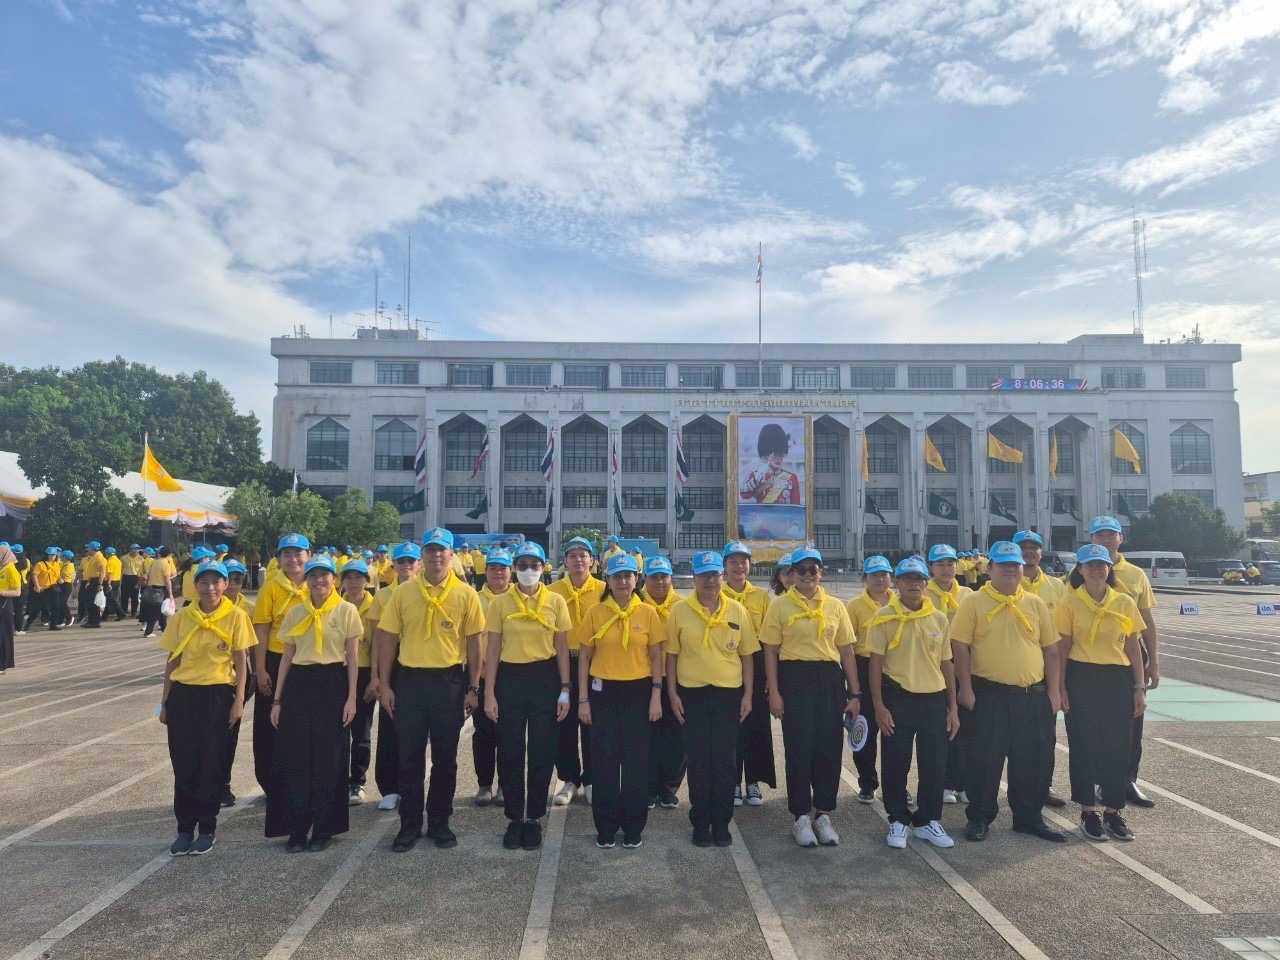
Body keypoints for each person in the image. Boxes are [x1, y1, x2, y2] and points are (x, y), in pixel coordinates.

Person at [377, 528, 484, 852]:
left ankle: (440, 822)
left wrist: (474, 687)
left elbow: (475, 644)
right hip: (410, 681)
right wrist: (384, 684)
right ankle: (409, 824)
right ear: (422, 554)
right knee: (409, 757)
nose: (436, 555)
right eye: (431, 550)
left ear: (452, 555)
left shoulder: (466, 594)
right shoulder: (403, 592)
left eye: (442, 550)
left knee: (445, 758)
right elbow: (388, 640)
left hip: (449, 683)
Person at [951, 541, 1064, 844]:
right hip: (989, 694)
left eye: (1016, 564)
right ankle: (980, 816)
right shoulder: (973, 602)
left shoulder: (1035, 603)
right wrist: (966, 689)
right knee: (984, 760)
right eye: (1003, 565)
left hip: (1032, 695)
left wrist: (1054, 691)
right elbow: (959, 646)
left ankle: (1028, 817)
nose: (1012, 569)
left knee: (1033, 759)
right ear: (990, 569)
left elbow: (1051, 650)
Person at [761, 547, 860, 849]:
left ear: (821, 573)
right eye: (800, 570)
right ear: (790, 574)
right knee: (799, 747)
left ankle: (824, 813)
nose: (806, 575)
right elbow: (770, 651)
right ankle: (800, 816)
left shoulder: (835, 606)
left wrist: (855, 693)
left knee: (828, 748)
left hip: (830, 680)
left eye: (812, 569)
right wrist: (774, 692)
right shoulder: (779, 606)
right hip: (794, 679)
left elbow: (846, 651)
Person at [157, 560, 255, 856]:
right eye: (204, 582)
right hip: (184, 696)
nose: (210, 588)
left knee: (212, 764)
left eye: (216, 582)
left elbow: (241, 662)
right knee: (184, 764)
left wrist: (238, 701)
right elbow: (172, 661)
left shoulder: (236, 616)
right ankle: (185, 829)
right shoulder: (183, 616)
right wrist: (164, 703)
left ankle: (207, 827)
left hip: (219, 696)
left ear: (226, 585)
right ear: (195, 586)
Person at [265, 555, 361, 851]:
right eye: (313, 575)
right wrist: (277, 700)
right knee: (296, 758)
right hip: (299, 685)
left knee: (329, 760)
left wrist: (351, 698)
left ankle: (324, 828)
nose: (319, 580)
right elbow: (287, 657)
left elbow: (354, 658)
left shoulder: (346, 611)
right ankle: (297, 828)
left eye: (325, 575)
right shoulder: (295, 612)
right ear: (305, 580)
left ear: (335, 579)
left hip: (333, 683)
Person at [483, 542, 572, 850]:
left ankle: (533, 817)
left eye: (535, 565)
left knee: (542, 749)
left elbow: (561, 647)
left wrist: (565, 688)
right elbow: (492, 650)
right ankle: (513, 818)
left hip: (545, 678)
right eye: (522, 564)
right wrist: (489, 692)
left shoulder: (556, 601)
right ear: (514, 567)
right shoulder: (500, 603)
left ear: (544, 567)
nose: (529, 570)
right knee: (509, 748)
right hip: (510, 678)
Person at [575, 553, 666, 849]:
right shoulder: (595, 612)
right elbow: (585, 657)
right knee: (604, 762)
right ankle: (605, 825)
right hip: (602, 693)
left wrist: (656, 695)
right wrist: (583, 700)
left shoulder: (648, 613)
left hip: (639, 692)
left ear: (636, 579)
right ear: (608, 581)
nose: (623, 581)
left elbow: (656, 657)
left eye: (628, 575)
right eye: (617, 576)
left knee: (636, 762)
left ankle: (633, 825)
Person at [666, 551, 757, 847]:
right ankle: (700, 821)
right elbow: (671, 656)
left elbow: (746, 657)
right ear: (693, 578)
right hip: (691, 695)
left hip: (728, 695)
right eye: (703, 575)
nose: (710, 580)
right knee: (698, 760)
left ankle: (722, 822)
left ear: (722, 577)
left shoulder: (736, 610)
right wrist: (672, 694)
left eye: (714, 574)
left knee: (724, 761)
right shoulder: (680, 611)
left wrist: (747, 696)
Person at [867, 557, 959, 850]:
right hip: (898, 697)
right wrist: (879, 706)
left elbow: (947, 664)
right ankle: (897, 818)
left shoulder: (938, 618)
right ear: (897, 582)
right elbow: (875, 665)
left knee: (934, 762)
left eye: (919, 579)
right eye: (907, 579)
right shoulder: (883, 616)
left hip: (933, 699)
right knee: (896, 761)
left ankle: (928, 820)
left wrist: (952, 707)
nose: (914, 584)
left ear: (926, 582)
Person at [1057, 544, 1146, 843]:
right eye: (1089, 565)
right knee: (1083, 745)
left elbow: (1133, 647)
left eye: (1101, 565)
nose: (1096, 570)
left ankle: (1113, 811)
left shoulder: (1123, 602)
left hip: (1117, 679)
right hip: (1081, 677)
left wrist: (1139, 687)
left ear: (1109, 569)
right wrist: (1061, 687)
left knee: (1118, 746)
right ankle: (1087, 811)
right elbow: (1062, 648)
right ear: (1079, 570)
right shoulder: (1069, 603)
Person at [1089, 516, 1159, 809]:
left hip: (1130, 655)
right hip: (1092, 659)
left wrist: (1154, 661)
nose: (1106, 540)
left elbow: (1147, 621)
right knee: (1096, 723)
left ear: (1120, 539)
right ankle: (1102, 780)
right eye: (1100, 535)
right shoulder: (1082, 571)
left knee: (1133, 718)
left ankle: (1127, 779)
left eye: (1111, 535)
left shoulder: (1135, 574)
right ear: (1092, 539)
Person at [252, 533, 311, 795]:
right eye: (286, 554)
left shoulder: (319, 582)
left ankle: (302, 779)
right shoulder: (271, 587)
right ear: (278, 559)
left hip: (309, 661)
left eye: (299, 553)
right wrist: (261, 669)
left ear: (308, 555)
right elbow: (262, 630)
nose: (293, 559)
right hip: (276, 660)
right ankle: (271, 782)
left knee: (303, 723)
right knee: (269, 725)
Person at [547, 536, 604, 806]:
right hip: (562, 661)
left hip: (596, 663)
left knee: (592, 723)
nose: (578, 559)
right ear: (565, 561)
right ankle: (569, 778)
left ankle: (593, 779)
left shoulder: (605, 589)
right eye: (573, 555)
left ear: (592, 561)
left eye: (584, 555)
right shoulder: (552, 591)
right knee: (563, 721)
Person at [1014, 530, 1069, 809]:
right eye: (1022, 547)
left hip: (1048, 667)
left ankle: (1043, 786)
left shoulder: (1056, 587)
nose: (1028, 552)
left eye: (1033, 547)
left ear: (1041, 551)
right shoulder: (1006, 582)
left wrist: (1059, 684)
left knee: (1046, 732)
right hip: (1016, 668)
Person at [366, 542, 420, 811]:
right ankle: (389, 787)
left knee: (414, 728)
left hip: (416, 661)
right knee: (389, 724)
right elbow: (377, 639)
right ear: (393, 565)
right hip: (391, 662)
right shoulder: (383, 596)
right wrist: (376, 676)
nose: (407, 565)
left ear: (419, 564)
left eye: (412, 560)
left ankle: (411, 785)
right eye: (402, 561)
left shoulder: (425, 592)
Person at [721, 541, 775, 808]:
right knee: (731, 726)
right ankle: (732, 781)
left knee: (754, 725)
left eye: (744, 561)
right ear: (725, 566)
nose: (739, 566)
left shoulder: (761, 597)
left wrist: (769, 678)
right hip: (727, 661)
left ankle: (752, 781)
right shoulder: (717, 593)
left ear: (750, 565)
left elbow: (768, 640)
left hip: (756, 662)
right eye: (733, 561)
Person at [845, 555, 895, 804]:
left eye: (884, 574)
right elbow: (848, 646)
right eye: (874, 574)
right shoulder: (854, 607)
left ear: (891, 577)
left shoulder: (901, 603)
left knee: (895, 732)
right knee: (864, 728)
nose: (880, 579)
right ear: (864, 578)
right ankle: (867, 782)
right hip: (864, 667)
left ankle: (896, 785)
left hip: (895, 669)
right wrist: (853, 686)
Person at [640, 555, 686, 810]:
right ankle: (647, 787)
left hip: (677, 679)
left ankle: (669, 787)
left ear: (671, 579)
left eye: (664, 576)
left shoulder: (683, 606)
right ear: (645, 578)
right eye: (654, 576)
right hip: (643, 678)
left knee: (677, 737)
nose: (659, 582)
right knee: (647, 736)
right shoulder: (635, 604)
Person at [925, 544, 968, 805]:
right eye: (940, 564)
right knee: (939, 727)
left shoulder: (968, 595)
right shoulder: (922, 593)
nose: (945, 569)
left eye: (950, 563)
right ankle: (942, 783)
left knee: (966, 726)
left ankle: (963, 781)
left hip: (963, 663)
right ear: (931, 567)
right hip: (932, 663)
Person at [473, 548, 514, 807]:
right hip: (481, 672)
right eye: (493, 568)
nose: (498, 572)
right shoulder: (473, 598)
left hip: (511, 673)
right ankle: (484, 783)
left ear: (511, 572)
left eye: (503, 568)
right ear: (485, 571)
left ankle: (505, 784)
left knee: (509, 732)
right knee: (483, 732)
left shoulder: (519, 598)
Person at [337, 560, 377, 805]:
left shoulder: (375, 607)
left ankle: (357, 782)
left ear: (367, 580)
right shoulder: (335, 606)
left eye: (358, 577)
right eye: (348, 577)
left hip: (363, 673)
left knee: (361, 730)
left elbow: (377, 646)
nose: (353, 582)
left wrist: (375, 678)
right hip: (336, 672)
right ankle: (335, 778)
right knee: (335, 729)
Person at [219, 559, 256, 807]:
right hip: (211, 680)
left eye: (238, 579)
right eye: (229, 579)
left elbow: (255, 646)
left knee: (229, 733)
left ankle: (223, 784)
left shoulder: (250, 609)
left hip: (238, 678)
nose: (233, 584)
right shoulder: (201, 607)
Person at [739, 423, 801, 505]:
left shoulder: (792, 478)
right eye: (774, 455)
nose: (778, 458)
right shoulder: (756, 475)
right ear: (766, 456)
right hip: (762, 517)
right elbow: (744, 495)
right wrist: (757, 481)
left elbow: (796, 507)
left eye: (780, 454)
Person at [25, 547, 64, 633]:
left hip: (53, 588)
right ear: (46, 555)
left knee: (56, 607)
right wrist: (37, 586)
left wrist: (60, 579)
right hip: (43, 589)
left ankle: (53, 625)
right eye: (50, 555)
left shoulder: (56, 564)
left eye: (53, 555)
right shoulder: (40, 564)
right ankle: (28, 622)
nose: (51, 557)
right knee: (39, 607)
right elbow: (34, 575)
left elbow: (57, 575)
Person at [141, 546, 177, 638]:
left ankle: (160, 631)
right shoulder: (166, 564)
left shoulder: (155, 562)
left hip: (152, 589)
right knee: (158, 611)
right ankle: (153, 632)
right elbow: (167, 580)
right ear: (169, 555)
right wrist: (171, 594)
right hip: (161, 590)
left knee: (158, 611)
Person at [0, 544, 20, 674]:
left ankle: (2, 665)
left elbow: (17, 592)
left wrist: (1, 592)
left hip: (5, 603)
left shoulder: (11, 569)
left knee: (3, 635)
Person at [79, 540, 107, 629]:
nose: (88, 550)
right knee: (90, 602)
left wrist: (100, 584)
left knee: (94, 602)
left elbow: (102, 572)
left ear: (92, 549)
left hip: (96, 581)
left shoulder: (100, 558)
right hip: (91, 580)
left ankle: (95, 621)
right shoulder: (93, 557)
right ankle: (91, 621)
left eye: (89, 548)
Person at [120, 544, 145, 618]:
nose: (137, 551)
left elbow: (142, 570)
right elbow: (121, 569)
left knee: (135, 596)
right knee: (124, 596)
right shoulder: (123, 558)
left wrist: (141, 579)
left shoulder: (141, 558)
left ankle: (133, 611)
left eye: (138, 549)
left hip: (135, 578)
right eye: (135, 549)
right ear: (130, 549)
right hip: (126, 577)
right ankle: (123, 611)